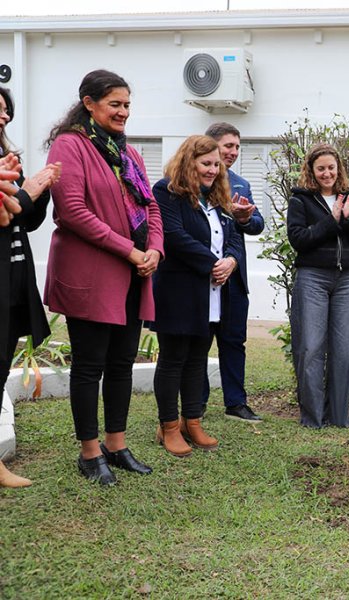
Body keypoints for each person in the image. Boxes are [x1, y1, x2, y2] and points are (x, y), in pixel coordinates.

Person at [45, 69, 162, 485]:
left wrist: (154, 250)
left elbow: (150, 206)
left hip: (134, 275)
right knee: (90, 365)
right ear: (89, 103)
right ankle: (89, 452)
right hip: (92, 275)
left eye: (127, 104)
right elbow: (72, 212)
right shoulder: (69, 145)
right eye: (115, 104)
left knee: (121, 364)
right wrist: (130, 250)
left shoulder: (128, 153)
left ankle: (116, 443)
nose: (123, 112)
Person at [150, 135, 243, 457]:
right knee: (173, 359)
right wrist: (213, 263)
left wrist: (230, 260)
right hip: (179, 290)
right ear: (189, 162)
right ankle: (169, 426)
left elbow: (232, 235)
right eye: (206, 164)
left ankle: (193, 421)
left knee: (196, 360)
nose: (213, 171)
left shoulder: (217, 197)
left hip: (211, 293)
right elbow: (174, 236)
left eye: (217, 165)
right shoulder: (167, 191)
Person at [287, 143, 349, 429]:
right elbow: (299, 239)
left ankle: (338, 415)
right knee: (311, 347)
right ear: (311, 170)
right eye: (321, 168)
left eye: (331, 168)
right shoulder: (301, 200)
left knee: (345, 349)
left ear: (339, 169)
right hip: (313, 277)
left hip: (346, 279)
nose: (327, 173)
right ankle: (313, 418)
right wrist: (333, 218)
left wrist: (348, 217)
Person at [0, 87, 60, 488]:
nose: (3, 117)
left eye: (6, 111)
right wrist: (27, 190)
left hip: (14, 275)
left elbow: (27, 219)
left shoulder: (8, 162)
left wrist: (43, 188)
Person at [201, 122, 265, 422]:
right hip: (201, 276)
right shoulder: (191, 181)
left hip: (234, 276)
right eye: (228, 145)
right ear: (210, 145)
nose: (233, 152)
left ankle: (236, 403)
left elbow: (257, 225)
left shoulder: (241, 184)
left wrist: (243, 218)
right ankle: (195, 403)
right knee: (198, 342)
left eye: (237, 147)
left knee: (234, 340)